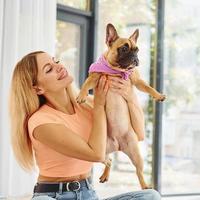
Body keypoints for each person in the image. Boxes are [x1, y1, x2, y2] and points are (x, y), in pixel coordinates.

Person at [9, 51, 161, 200]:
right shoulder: (40, 122)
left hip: (88, 193)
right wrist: (100, 104)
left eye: (56, 61)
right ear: (37, 88)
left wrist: (130, 96)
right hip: (53, 196)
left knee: (151, 196)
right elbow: (96, 154)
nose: (59, 67)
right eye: (49, 69)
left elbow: (138, 134)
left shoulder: (86, 104)